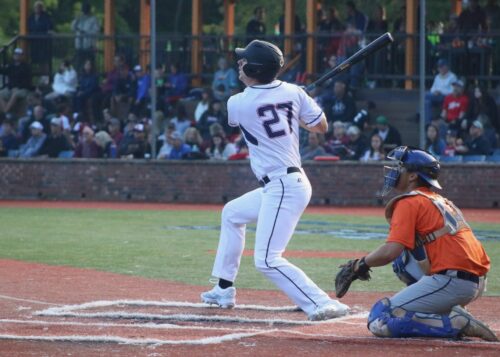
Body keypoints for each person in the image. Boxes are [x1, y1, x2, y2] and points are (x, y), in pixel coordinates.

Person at [201, 39, 349, 320]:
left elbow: (258, 111)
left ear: (255, 67)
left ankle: (322, 303)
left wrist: (288, 104)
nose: (239, 64)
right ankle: (223, 288)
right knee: (232, 213)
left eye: (244, 61)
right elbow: (321, 125)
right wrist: (294, 105)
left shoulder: (238, 102)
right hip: (284, 184)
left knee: (267, 260)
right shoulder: (293, 92)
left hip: (283, 185)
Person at [334, 146, 497, 342]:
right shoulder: (441, 200)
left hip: (455, 281)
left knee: (380, 318)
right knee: (405, 259)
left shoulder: (409, 202)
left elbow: (390, 251)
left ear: (412, 177)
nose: (395, 170)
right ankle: (451, 311)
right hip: (475, 280)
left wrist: (360, 264)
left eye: (401, 167)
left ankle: (455, 323)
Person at [0, 48, 32, 114]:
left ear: (22, 56)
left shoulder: (26, 67)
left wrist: (17, 88)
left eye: (19, 54)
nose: (17, 56)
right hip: (11, 88)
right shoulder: (11, 66)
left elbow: (27, 81)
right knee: (1, 94)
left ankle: (5, 112)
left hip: (22, 89)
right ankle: (6, 111)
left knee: (15, 94)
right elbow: (2, 71)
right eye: (16, 54)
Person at [424, 59, 457, 124]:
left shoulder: (452, 76)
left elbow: (453, 91)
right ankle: (427, 123)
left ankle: (419, 114)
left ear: (447, 66)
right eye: (439, 67)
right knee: (426, 102)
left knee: (426, 95)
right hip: (435, 96)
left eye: (442, 66)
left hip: (446, 97)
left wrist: (440, 91)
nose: (440, 68)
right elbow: (432, 88)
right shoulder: (437, 77)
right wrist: (435, 91)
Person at [71, 1, 100, 71]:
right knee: (78, 64)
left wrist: (86, 32)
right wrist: (77, 19)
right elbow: (73, 28)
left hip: (88, 46)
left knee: (89, 64)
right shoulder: (79, 18)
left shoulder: (93, 19)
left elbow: (96, 31)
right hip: (79, 46)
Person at [28, 1, 53, 72]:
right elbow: (28, 27)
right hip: (33, 42)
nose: (37, 9)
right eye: (36, 7)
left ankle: (45, 76)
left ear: (42, 8)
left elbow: (49, 27)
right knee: (34, 59)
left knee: (44, 60)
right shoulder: (31, 17)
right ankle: (34, 74)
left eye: (39, 7)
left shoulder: (46, 16)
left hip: (43, 42)